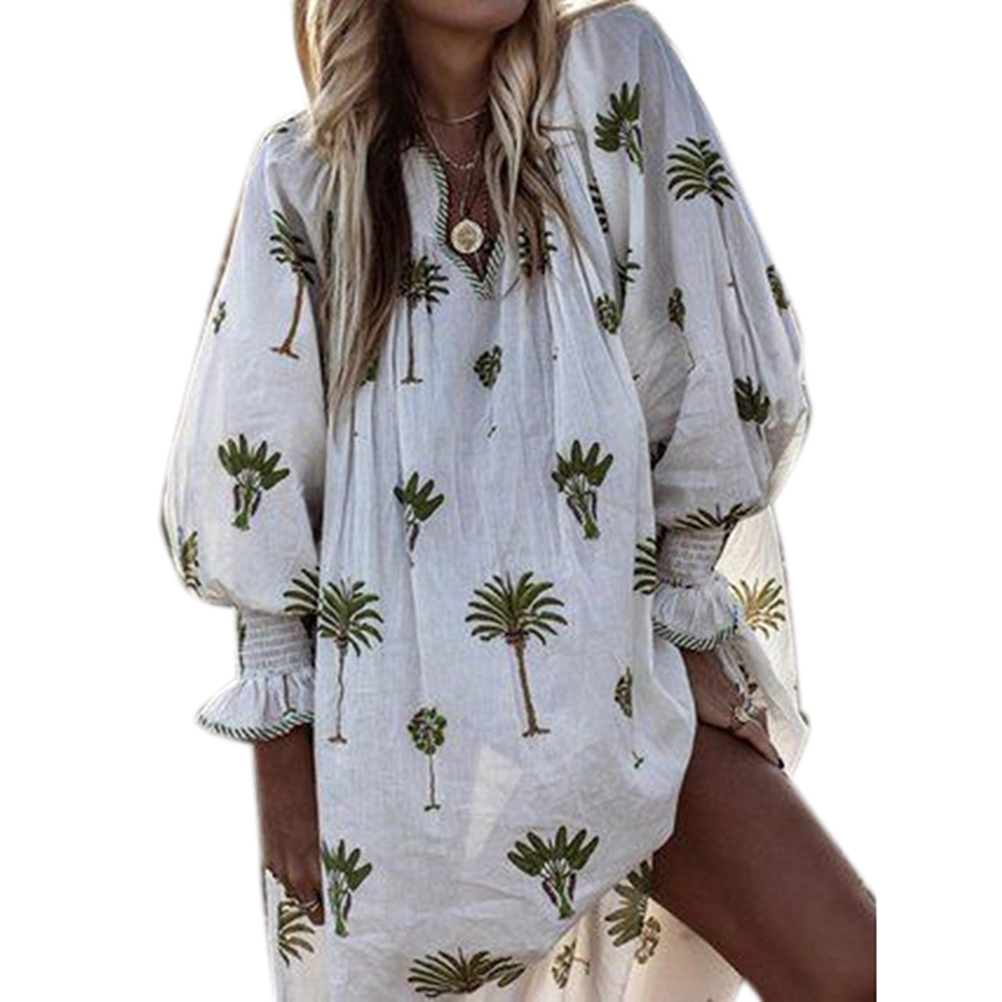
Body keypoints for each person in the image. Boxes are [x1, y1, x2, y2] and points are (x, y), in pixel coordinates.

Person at [160, 0, 876, 998]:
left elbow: (710, 355)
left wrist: (688, 608)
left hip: (629, 687)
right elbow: (258, 466)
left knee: (853, 966)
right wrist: (282, 763)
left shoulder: (613, 78)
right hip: (399, 755)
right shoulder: (305, 177)